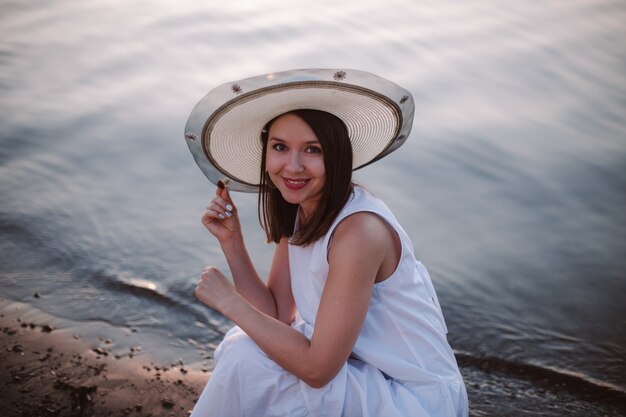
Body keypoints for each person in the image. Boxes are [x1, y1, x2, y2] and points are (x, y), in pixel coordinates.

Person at [184, 69, 468, 417]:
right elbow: (275, 314)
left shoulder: (359, 232)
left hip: (411, 397)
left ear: (337, 155)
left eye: (312, 149)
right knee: (247, 350)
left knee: (247, 358)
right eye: (280, 147)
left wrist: (230, 302)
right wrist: (232, 242)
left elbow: (318, 371)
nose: (293, 166)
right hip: (360, 371)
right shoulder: (306, 211)